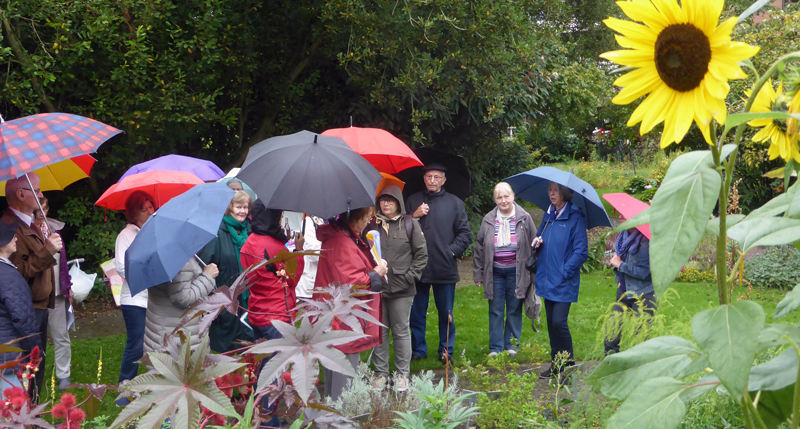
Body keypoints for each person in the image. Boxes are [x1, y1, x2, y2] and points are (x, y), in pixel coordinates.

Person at [239, 200, 305, 427]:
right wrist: (298, 251)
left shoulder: (249, 243)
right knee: (274, 374)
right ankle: (270, 422)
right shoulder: (276, 247)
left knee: (262, 369)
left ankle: (259, 415)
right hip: (278, 315)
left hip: (258, 311)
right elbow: (292, 279)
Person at [314, 207, 388, 401]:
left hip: (336, 316)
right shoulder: (341, 242)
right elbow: (351, 283)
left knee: (335, 372)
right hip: (343, 319)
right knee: (344, 376)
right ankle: (342, 419)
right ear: (356, 217)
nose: (368, 221)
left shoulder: (342, 237)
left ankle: (331, 417)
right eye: (367, 216)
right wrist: (377, 273)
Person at [0, 173, 63, 402]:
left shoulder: (30, 222)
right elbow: (15, 273)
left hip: (39, 305)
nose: (41, 195)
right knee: (27, 366)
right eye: (36, 191)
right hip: (26, 308)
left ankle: (34, 412)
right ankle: (25, 415)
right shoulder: (8, 227)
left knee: (36, 366)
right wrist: (46, 250)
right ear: (20, 194)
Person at [406, 163, 471, 363]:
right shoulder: (413, 200)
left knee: (446, 313)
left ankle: (446, 350)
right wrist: (413, 216)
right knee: (417, 313)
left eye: (436, 177)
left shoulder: (455, 203)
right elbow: (400, 229)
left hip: (444, 267)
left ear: (444, 180)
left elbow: (465, 234)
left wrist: (451, 251)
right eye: (428, 177)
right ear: (423, 179)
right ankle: (418, 349)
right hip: (418, 268)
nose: (432, 180)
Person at [369, 186, 427, 392]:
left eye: (390, 200)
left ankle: (402, 375)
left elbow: (421, 255)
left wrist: (410, 277)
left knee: (401, 331)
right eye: (382, 200)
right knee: (380, 332)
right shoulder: (371, 226)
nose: (385, 204)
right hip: (377, 288)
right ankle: (380, 375)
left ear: (398, 203)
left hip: (403, 289)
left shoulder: (410, 224)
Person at [473, 183, 536, 357]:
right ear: (495, 200)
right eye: (499, 197)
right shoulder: (488, 219)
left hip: (517, 272)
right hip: (495, 272)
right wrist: (478, 273)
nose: (503, 200)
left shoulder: (525, 218)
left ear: (513, 196)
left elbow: (534, 247)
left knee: (514, 309)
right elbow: (479, 248)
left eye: (506, 196)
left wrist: (533, 275)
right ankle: (496, 347)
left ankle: (512, 345)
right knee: (495, 309)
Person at [532, 182, 588, 378]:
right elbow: (540, 237)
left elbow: (581, 252)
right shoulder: (548, 216)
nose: (552, 193)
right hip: (547, 279)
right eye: (549, 189)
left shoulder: (575, 218)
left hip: (563, 280)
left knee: (559, 322)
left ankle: (568, 363)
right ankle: (557, 364)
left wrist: (565, 271)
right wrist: (536, 242)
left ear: (565, 193)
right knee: (551, 324)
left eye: (556, 190)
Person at [199, 190, 255, 353]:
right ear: (229, 208)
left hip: (248, 299)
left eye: (246, 207)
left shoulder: (250, 231)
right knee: (227, 348)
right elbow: (206, 265)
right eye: (239, 207)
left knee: (249, 345)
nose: (243, 211)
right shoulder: (217, 232)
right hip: (225, 299)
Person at [115, 190, 155, 405]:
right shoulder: (126, 235)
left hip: (153, 298)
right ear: (133, 213)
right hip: (134, 299)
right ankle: (125, 388)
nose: (150, 211)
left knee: (153, 343)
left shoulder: (153, 231)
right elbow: (122, 267)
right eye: (144, 209)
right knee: (136, 344)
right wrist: (147, 269)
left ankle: (149, 385)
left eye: (151, 207)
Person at [33, 198, 74, 391]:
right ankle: (31, 375)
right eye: (38, 208)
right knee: (34, 339)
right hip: (36, 297)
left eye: (45, 207)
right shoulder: (27, 234)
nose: (42, 212)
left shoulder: (55, 232)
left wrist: (68, 286)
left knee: (61, 335)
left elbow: (63, 264)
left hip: (57, 295)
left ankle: (64, 375)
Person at [0, 221, 43, 392]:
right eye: (11, 236)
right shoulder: (9, 276)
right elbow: (24, 319)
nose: (16, 239)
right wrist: (35, 351)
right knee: (11, 413)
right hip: (8, 358)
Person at [142, 257, 218, 353]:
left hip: (160, 329)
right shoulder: (179, 260)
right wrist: (208, 276)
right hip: (178, 336)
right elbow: (183, 298)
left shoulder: (154, 256)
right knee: (184, 367)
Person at [603, 228, 656, 355]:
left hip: (643, 293)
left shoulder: (646, 241)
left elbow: (645, 272)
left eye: (623, 215)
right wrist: (618, 279)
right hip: (624, 290)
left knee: (641, 337)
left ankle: (640, 370)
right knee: (612, 330)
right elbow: (619, 262)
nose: (620, 216)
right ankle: (611, 364)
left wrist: (621, 265)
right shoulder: (624, 235)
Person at [294, 215, 324, 302]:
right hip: (309, 286)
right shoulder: (308, 221)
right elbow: (314, 254)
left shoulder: (326, 221)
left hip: (322, 284)